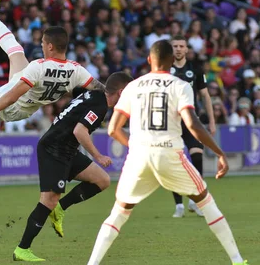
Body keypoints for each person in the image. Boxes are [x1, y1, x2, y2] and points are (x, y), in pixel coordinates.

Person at [87, 40, 248, 265]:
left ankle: (91, 264)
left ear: (148, 60)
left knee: (119, 213)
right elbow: (192, 125)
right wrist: (219, 153)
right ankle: (238, 260)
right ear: (172, 61)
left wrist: (135, 146)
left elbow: (113, 128)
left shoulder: (133, 86)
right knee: (206, 202)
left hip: (139, 157)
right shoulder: (179, 85)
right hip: (170, 153)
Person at [0, 0, 104, 210]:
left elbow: (9, 96)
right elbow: (99, 88)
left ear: (50, 46)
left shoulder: (38, 67)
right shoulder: (77, 70)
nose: (42, 46)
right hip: (28, 106)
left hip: (11, 103)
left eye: (44, 43)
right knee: (15, 51)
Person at [13, 72, 133, 262]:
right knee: (47, 200)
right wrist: (98, 156)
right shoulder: (100, 105)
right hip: (54, 149)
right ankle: (22, 249)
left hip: (66, 149)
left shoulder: (95, 95)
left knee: (102, 180)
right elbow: (80, 131)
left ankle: (60, 209)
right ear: (121, 92)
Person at [169, 35, 216, 218]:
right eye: (175, 46)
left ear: (187, 49)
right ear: (171, 49)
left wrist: (211, 121)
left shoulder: (195, 69)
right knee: (174, 162)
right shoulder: (165, 69)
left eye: (182, 46)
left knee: (197, 157)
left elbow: (205, 96)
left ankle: (194, 201)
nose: (179, 49)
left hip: (191, 121)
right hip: (171, 123)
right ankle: (178, 205)